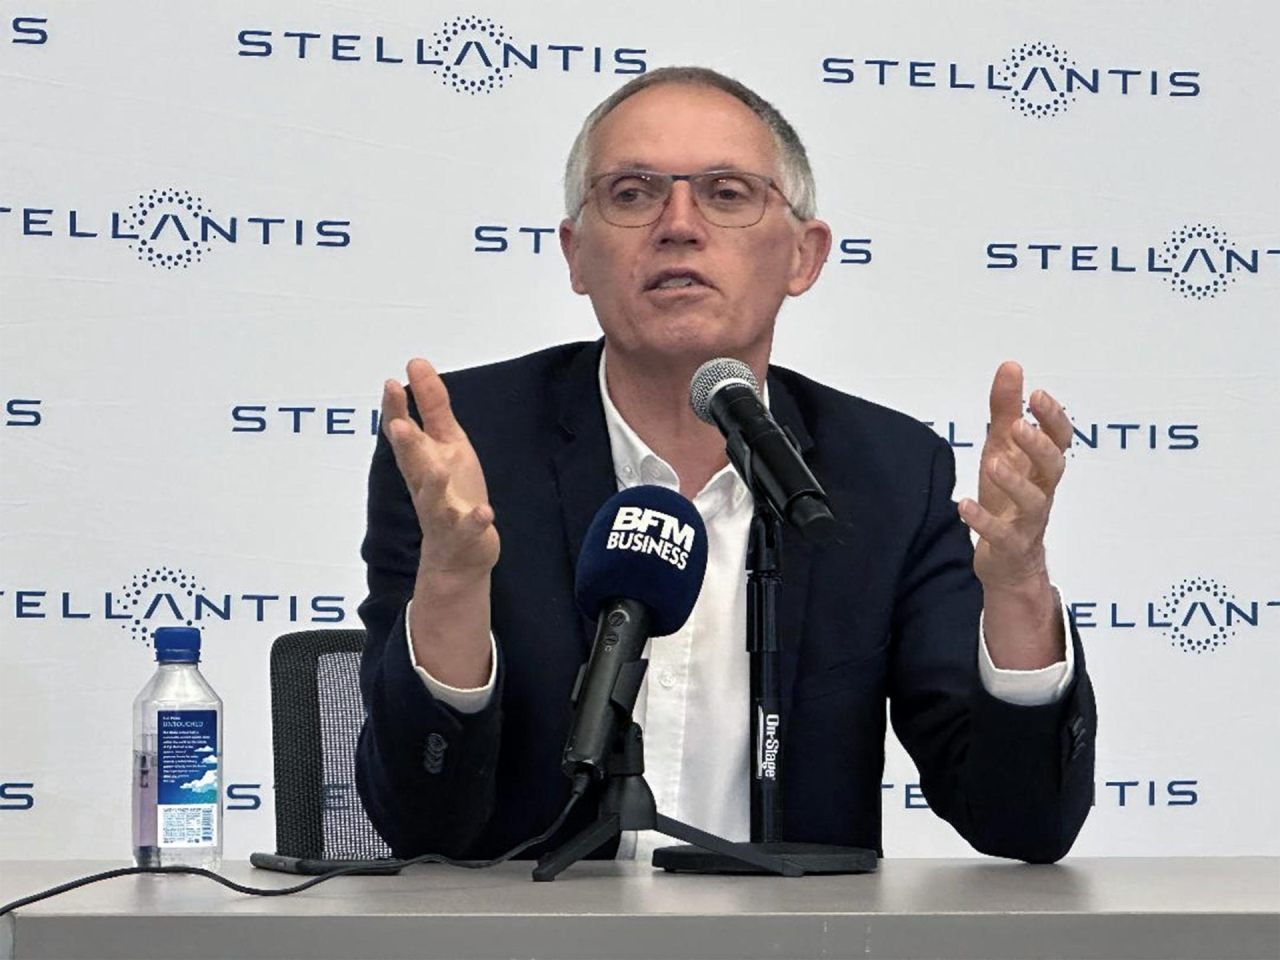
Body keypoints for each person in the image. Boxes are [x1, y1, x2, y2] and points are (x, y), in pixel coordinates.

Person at [355, 67, 1096, 865]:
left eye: (727, 193)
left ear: (804, 256)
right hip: (536, 928)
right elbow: (421, 826)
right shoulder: (464, 449)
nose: (678, 225)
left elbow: (1024, 824)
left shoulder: (886, 473)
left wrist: (1019, 588)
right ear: (575, 256)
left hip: (793, 931)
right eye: (633, 193)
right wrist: (454, 583)